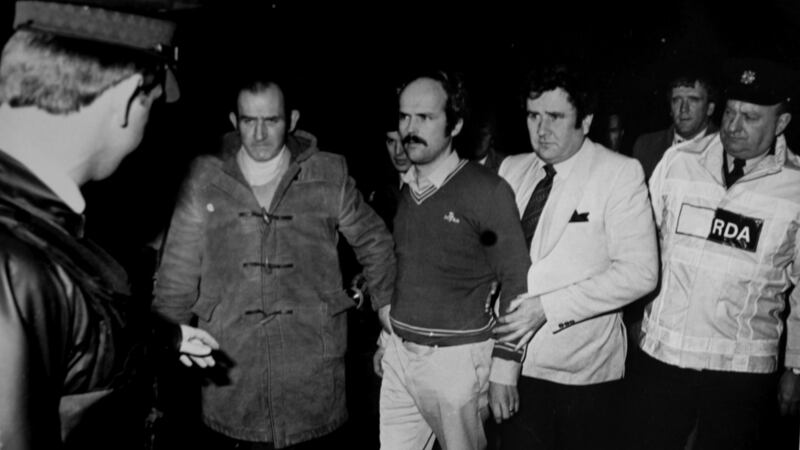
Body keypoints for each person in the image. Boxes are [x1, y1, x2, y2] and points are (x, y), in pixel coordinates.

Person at [0, 2, 220, 449]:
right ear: (125, 99)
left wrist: (167, 335)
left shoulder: (34, 216)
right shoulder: (15, 264)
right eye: (151, 104)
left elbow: (79, 313)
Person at [152, 74, 396, 449]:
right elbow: (177, 271)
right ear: (234, 122)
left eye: (272, 121)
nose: (261, 134)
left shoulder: (328, 174)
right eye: (250, 121)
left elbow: (375, 241)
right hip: (230, 366)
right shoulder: (204, 178)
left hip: (312, 370)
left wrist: (385, 306)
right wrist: (167, 343)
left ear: (292, 120)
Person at [631, 57, 800, 450]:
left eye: (750, 117)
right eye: (730, 112)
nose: (733, 126)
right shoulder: (679, 162)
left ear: (782, 124)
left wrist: (795, 365)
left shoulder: (794, 189)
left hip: (740, 373)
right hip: (663, 358)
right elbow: (639, 245)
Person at [492, 64, 658, 450]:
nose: (541, 129)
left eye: (555, 117)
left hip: (582, 374)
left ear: (585, 120)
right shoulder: (512, 168)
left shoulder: (619, 172)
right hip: (513, 366)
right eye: (533, 116)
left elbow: (641, 273)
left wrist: (548, 307)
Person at [376, 69, 530, 450]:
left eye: (425, 118)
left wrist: (505, 368)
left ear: (456, 124)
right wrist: (386, 339)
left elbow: (517, 280)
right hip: (400, 354)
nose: (410, 128)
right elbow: (406, 272)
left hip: (455, 363)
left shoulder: (486, 191)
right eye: (404, 116)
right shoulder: (407, 190)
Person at [632, 65, 719, 181]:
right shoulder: (646, 147)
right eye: (677, 100)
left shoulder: (725, 147)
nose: (684, 109)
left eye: (693, 100)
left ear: (710, 108)